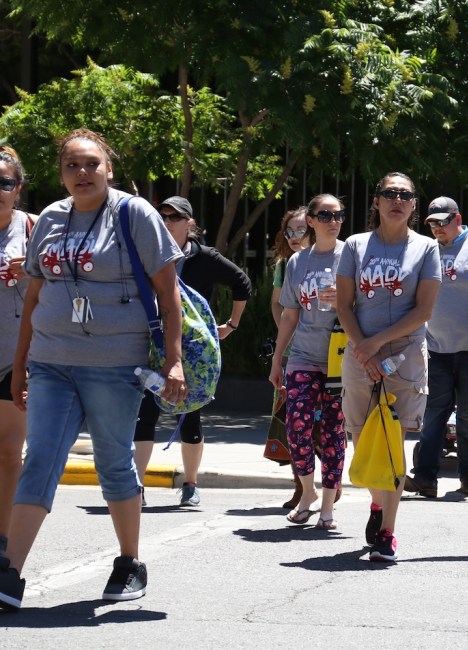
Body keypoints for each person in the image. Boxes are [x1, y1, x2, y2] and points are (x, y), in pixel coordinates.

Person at [0, 128, 185, 610]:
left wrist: (175, 360)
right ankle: (9, 575)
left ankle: (129, 561)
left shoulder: (134, 214)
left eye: (91, 164)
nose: (82, 173)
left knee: (113, 462)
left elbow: (168, 293)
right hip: (51, 363)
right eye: (72, 165)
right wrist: (21, 364)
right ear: (61, 173)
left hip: (114, 365)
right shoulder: (51, 220)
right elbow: (35, 295)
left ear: (109, 169)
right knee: (40, 459)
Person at [336, 172, 440, 562]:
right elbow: (344, 305)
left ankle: (387, 533)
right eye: (389, 193)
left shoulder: (427, 249)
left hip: (402, 353)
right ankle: (377, 503)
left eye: (405, 194)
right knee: (364, 440)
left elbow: (425, 309)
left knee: (393, 444)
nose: (397, 199)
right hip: (360, 350)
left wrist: (376, 345)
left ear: (414, 205)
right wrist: (364, 348)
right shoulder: (355, 246)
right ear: (376, 201)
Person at [133, 196, 252, 507]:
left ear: (190, 223)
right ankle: (137, 487)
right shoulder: (148, 253)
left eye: (175, 216)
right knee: (145, 414)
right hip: (151, 345)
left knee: (190, 415)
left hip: (193, 353)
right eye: (164, 215)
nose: (168, 221)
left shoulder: (204, 257)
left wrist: (230, 325)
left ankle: (190, 484)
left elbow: (242, 284)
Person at [406, 197, 468, 498]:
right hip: (435, 346)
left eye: (442, 221)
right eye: (432, 223)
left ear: (457, 218)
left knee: (467, 412)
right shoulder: (427, 250)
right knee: (434, 412)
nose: (437, 228)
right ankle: (425, 478)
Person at [268, 194, 347, 530]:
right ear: (312, 220)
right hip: (303, 356)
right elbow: (289, 314)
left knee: (332, 430)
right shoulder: (298, 262)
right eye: (325, 215)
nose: (333, 220)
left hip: (340, 357)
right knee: (296, 425)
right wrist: (277, 360)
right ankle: (307, 492)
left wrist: (345, 298)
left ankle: (328, 505)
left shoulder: (353, 255)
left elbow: (369, 307)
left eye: (338, 214)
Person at [0, 146, 35, 560]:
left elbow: (67, 281)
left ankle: (4, 540)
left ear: (18, 188)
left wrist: (33, 268)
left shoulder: (36, 228)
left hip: (18, 357)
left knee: (10, 452)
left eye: (5, 183)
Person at [268, 206, 310, 509]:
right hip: (296, 354)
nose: (295, 237)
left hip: (328, 354)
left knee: (327, 426)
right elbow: (276, 304)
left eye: (301, 231)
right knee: (293, 424)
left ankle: (329, 487)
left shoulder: (338, 259)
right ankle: (301, 487)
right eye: (290, 231)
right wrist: (287, 333)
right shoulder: (286, 265)